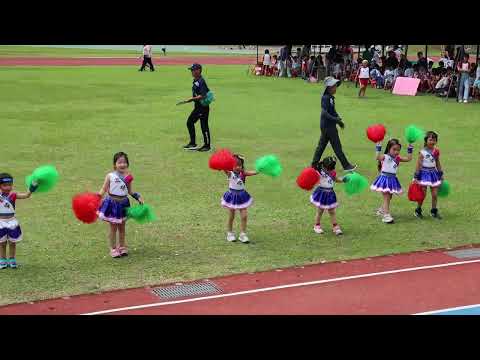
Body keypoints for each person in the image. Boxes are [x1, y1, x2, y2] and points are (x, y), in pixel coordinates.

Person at [98, 152, 144, 258]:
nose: (122, 164)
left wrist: (138, 197)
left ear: (127, 164)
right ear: (115, 165)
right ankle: (113, 249)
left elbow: (130, 191)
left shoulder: (128, 177)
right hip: (112, 204)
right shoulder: (110, 176)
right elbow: (104, 189)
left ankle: (122, 247)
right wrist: (97, 196)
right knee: (113, 228)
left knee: (122, 228)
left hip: (123, 204)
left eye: (124, 162)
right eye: (119, 162)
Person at [311, 77, 357, 172]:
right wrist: (335, 119)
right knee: (337, 146)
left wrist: (338, 119)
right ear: (328, 88)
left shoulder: (331, 98)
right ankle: (346, 166)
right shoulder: (325, 98)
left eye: (336, 86)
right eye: (334, 86)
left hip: (327, 125)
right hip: (328, 126)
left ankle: (314, 165)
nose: (335, 88)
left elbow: (332, 111)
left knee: (321, 145)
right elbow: (324, 112)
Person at [371, 139, 414, 224]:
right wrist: (378, 148)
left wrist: (410, 148)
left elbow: (409, 158)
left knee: (389, 197)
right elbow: (377, 157)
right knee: (387, 197)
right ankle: (386, 216)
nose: (396, 152)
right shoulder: (385, 156)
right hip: (384, 180)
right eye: (394, 149)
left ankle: (382, 210)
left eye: (398, 150)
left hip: (393, 180)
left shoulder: (397, 158)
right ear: (388, 148)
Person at [0, 173, 38, 269]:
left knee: (12, 242)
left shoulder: (13, 195)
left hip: (12, 222)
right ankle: (2, 260)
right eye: (5, 185)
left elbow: (26, 195)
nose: (8, 187)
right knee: (2, 243)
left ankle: (12, 259)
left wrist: (32, 188)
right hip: (1, 223)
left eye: (10, 185)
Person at [221, 155, 258, 243]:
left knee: (244, 216)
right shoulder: (230, 173)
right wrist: (221, 164)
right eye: (235, 165)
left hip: (242, 196)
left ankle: (243, 234)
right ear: (231, 166)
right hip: (232, 196)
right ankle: (230, 233)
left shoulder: (243, 173)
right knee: (231, 216)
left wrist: (259, 170)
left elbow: (253, 172)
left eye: (240, 165)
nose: (238, 167)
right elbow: (224, 168)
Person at [310, 157, 348, 235]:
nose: (330, 170)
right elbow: (312, 177)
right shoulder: (319, 171)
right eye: (329, 168)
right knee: (320, 211)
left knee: (332, 211)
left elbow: (336, 179)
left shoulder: (332, 172)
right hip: (321, 193)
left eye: (331, 168)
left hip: (330, 194)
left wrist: (343, 179)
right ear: (324, 166)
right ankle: (317, 226)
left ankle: (335, 227)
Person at [413, 131, 444, 220]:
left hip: (433, 174)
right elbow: (418, 164)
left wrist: (440, 173)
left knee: (434, 194)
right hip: (424, 174)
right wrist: (416, 176)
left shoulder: (436, 151)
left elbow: (437, 162)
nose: (432, 142)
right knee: (423, 194)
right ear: (426, 141)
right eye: (430, 140)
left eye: (434, 140)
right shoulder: (422, 152)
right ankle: (418, 210)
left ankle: (433, 211)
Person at [181, 63, 212, 152]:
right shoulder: (196, 80)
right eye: (191, 70)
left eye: (193, 70)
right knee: (190, 122)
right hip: (198, 107)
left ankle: (206, 145)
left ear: (198, 70)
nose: (192, 72)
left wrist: (192, 99)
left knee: (203, 125)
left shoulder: (201, 81)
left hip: (202, 107)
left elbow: (203, 95)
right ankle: (193, 143)